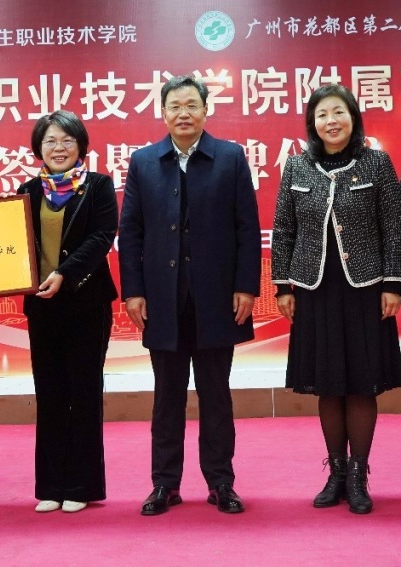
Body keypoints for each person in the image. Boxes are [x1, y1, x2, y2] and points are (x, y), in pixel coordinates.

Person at [119, 75, 261, 516]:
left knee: (217, 395)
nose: (184, 113)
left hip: (217, 298)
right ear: (163, 113)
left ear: (205, 110)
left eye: (191, 105)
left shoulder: (230, 158)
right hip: (163, 300)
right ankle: (165, 484)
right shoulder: (144, 162)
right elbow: (131, 232)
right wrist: (133, 291)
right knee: (167, 398)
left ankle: (221, 482)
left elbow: (247, 227)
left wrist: (246, 286)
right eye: (175, 106)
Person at [271, 84, 401, 515]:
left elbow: (394, 227)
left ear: (353, 118)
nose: (331, 122)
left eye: (339, 113)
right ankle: (336, 474)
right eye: (322, 114)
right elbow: (283, 229)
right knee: (328, 384)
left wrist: (393, 284)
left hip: (366, 289)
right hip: (314, 290)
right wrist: (282, 286)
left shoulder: (376, 162)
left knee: (362, 383)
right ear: (312, 123)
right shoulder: (297, 166)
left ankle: (359, 476)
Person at [17, 110, 117, 513]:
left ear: (81, 146)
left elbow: (101, 237)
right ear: (38, 148)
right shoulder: (27, 191)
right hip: (42, 307)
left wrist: (64, 273)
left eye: (67, 140)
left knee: (84, 392)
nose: (58, 148)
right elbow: (14, 248)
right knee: (50, 394)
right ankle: (51, 486)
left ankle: (82, 485)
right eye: (50, 141)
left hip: (86, 303)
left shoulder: (98, 186)